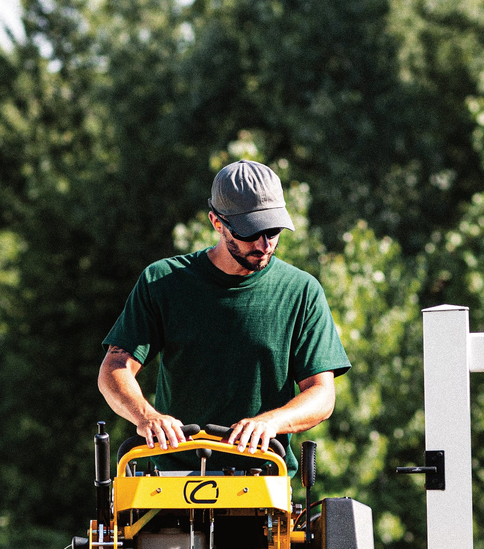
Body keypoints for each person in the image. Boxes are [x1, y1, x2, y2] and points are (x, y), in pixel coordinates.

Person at [98, 160, 348, 473]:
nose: (264, 244)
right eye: (250, 232)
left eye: (273, 231)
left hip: (262, 478)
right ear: (217, 222)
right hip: (170, 480)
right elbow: (114, 368)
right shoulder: (163, 282)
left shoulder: (301, 291)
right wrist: (146, 416)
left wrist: (272, 422)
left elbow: (322, 395)